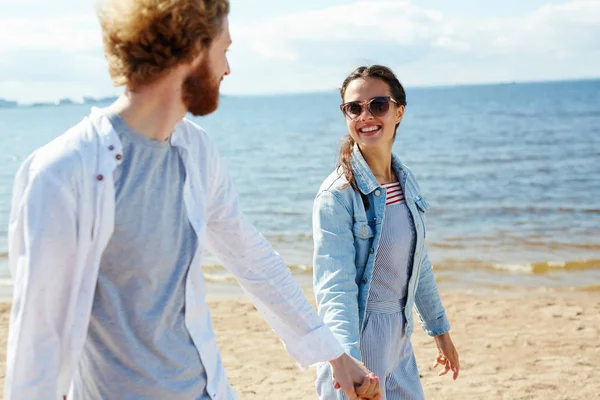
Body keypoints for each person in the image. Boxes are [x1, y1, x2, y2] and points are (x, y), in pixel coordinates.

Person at [4, 1, 382, 399]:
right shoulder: (63, 171)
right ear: (194, 48)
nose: (227, 69)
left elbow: (252, 259)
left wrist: (334, 355)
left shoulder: (196, 151)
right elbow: (36, 339)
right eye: (225, 50)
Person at [312, 65, 460, 399]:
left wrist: (441, 331)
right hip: (359, 346)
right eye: (354, 107)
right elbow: (335, 288)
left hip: (400, 342)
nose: (366, 115)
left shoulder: (405, 183)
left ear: (399, 112)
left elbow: (418, 264)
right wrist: (347, 360)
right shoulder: (337, 195)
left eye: (378, 105)